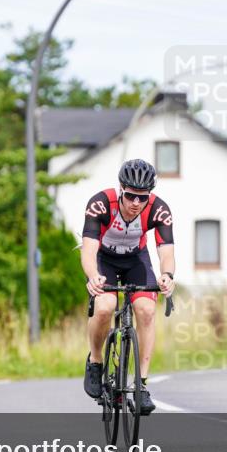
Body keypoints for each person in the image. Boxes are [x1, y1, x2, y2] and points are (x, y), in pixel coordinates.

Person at [80, 158, 176, 414]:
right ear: (121, 189)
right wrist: (93, 276)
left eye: (142, 198)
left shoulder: (159, 209)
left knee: (146, 310)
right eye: (131, 196)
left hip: (136, 259)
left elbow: (166, 251)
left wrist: (167, 275)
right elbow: (88, 251)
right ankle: (96, 360)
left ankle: (141, 385)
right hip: (104, 260)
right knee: (105, 306)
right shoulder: (101, 203)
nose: (136, 203)